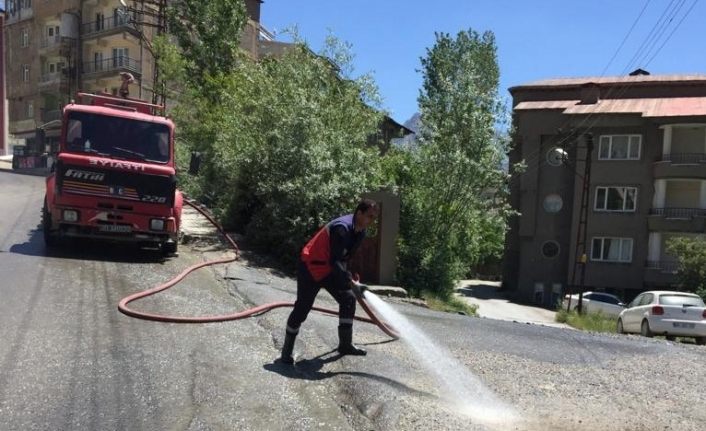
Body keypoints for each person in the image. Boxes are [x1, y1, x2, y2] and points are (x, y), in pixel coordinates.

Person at [280, 199, 379, 365]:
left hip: (330, 269)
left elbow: (345, 257)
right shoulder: (342, 228)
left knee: (348, 298)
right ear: (359, 213)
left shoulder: (360, 232)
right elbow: (334, 260)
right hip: (311, 266)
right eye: (370, 216)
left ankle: (345, 345)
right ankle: (286, 352)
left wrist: (351, 276)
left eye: (374, 218)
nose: (372, 221)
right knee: (303, 308)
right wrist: (348, 280)